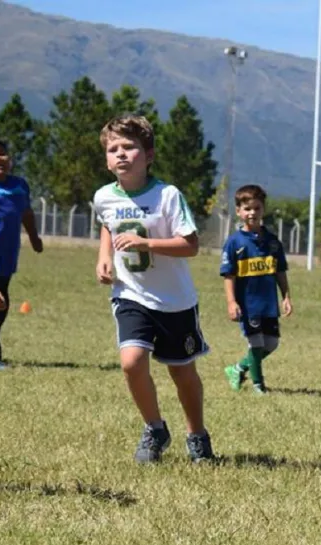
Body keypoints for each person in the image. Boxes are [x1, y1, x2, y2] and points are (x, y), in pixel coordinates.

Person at [93, 115, 214, 464]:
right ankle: (154, 428)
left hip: (175, 301)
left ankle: (197, 435)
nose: (120, 154)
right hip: (130, 294)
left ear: (148, 155)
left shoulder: (167, 196)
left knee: (182, 372)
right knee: (131, 362)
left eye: (129, 147)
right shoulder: (103, 196)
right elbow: (107, 224)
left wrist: (146, 244)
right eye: (113, 149)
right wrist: (104, 257)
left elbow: (190, 246)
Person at [0, 137, 43, 369]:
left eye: (1, 153)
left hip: (5, 258)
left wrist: (34, 238)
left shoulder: (19, 185)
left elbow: (27, 213)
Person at [220, 184, 292, 395]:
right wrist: (231, 302)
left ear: (263, 209)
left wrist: (286, 297)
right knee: (256, 343)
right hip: (248, 305)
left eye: (257, 208)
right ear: (239, 211)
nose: (252, 213)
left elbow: (280, 271)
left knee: (271, 343)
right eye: (247, 209)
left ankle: (238, 368)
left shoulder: (272, 242)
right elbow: (228, 275)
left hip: (268, 304)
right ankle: (258, 385)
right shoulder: (234, 242)